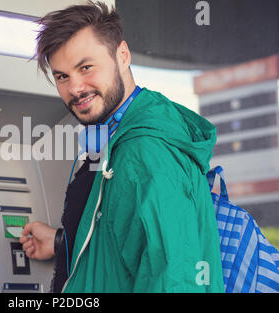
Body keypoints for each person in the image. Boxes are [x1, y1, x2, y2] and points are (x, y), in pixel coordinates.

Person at [20, 1, 224, 293]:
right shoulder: (119, 136)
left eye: (86, 67)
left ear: (123, 55)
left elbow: (175, 279)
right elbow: (120, 246)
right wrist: (60, 242)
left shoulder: (145, 151)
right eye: (62, 76)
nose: (75, 88)